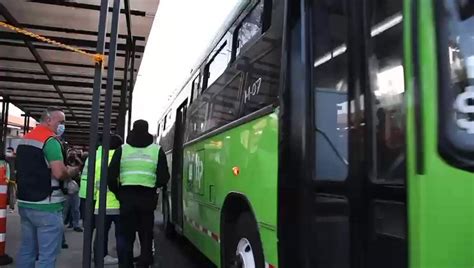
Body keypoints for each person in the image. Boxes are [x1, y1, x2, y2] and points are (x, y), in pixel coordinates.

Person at [15, 107, 80, 267]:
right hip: (47, 205)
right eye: (61, 122)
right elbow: (59, 173)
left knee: (27, 250)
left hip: (25, 202)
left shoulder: (25, 139)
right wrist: (71, 171)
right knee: (47, 256)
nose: (62, 126)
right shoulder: (50, 141)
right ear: (49, 120)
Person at [108, 120, 170, 268]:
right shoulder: (156, 150)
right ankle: (144, 263)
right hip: (147, 198)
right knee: (146, 234)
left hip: (127, 197)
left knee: (125, 236)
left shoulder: (122, 150)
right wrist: (153, 186)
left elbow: (110, 176)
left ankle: (125, 264)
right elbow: (164, 177)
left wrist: (119, 193)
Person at [93, 134, 125, 265]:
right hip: (118, 204)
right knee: (121, 235)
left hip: (101, 205)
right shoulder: (121, 159)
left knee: (100, 235)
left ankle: (100, 258)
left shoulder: (99, 159)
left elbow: (95, 183)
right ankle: (123, 259)